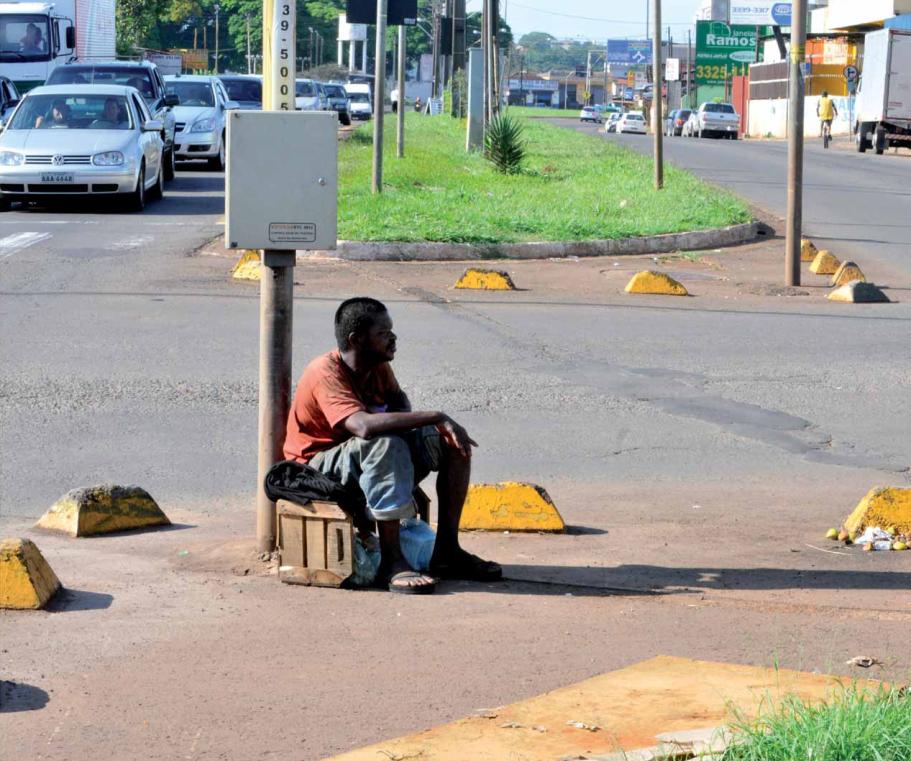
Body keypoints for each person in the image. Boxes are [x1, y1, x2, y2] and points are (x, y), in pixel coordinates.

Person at [283, 297, 502, 594]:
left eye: (392, 331)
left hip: (362, 459)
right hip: (316, 471)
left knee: (450, 441)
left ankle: (447, 551)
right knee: (385, 443)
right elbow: (362, 427)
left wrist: (437, 427)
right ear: (356, 340)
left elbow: (401, 406)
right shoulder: (325, 371)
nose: (393, 338)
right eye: (383, 334)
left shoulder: (377, 366)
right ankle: (392, 560)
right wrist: (437, 415)